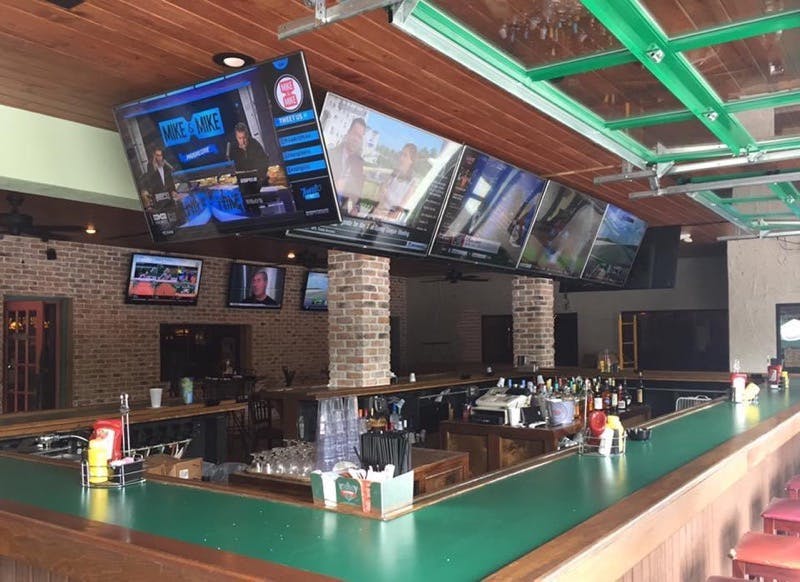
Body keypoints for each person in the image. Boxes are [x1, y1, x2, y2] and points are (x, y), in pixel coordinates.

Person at [371, 143, 418, 224]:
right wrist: (377, 210)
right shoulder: (394, 174)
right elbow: (380, 196)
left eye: (405, 155)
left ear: (412, 160)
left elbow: (400, 210)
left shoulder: (412, 183)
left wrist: (384, 215)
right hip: (378, 214)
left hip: (388, 221)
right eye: (401, 154)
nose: (401, 158)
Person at [327, 118, 366, 214]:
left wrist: (356, 207)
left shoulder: (359, 163)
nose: (356, 139)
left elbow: (358, 191)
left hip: (343, 211)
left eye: (360, 137)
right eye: (355, 134)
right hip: (326, 206)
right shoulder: (331, 154)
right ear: (348, 133)